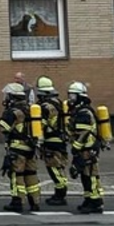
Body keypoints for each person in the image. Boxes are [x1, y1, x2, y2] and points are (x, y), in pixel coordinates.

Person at [0, 81, 41, 213]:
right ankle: (35, 202)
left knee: (16, 175)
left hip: (17, 149)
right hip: (31, 148)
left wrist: (4, 116)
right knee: (31, 174)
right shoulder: (30, 109)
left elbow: (4, 128)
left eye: (7, 96)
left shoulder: (13, 112)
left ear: (12, 97)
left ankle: (17, 202)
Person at [68, 81, 104, 214]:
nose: (70, 99)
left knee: (91, 176)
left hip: (88, 149)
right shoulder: (80, 111)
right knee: (84, 175)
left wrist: (76, 147)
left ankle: (96, 202)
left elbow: (84, 132)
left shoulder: (83, 112)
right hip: (84, 149)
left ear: (80, 96)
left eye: (72, 96)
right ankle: (88, 199)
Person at [35, 76, 69, 206]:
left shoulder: (44, 107)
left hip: (51, 141)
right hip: (61, 139)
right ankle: (59, 192)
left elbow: (41, 124)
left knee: (53, 168)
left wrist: (36, 138)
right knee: (60, 167)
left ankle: (60, 194)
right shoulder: (59, 103)